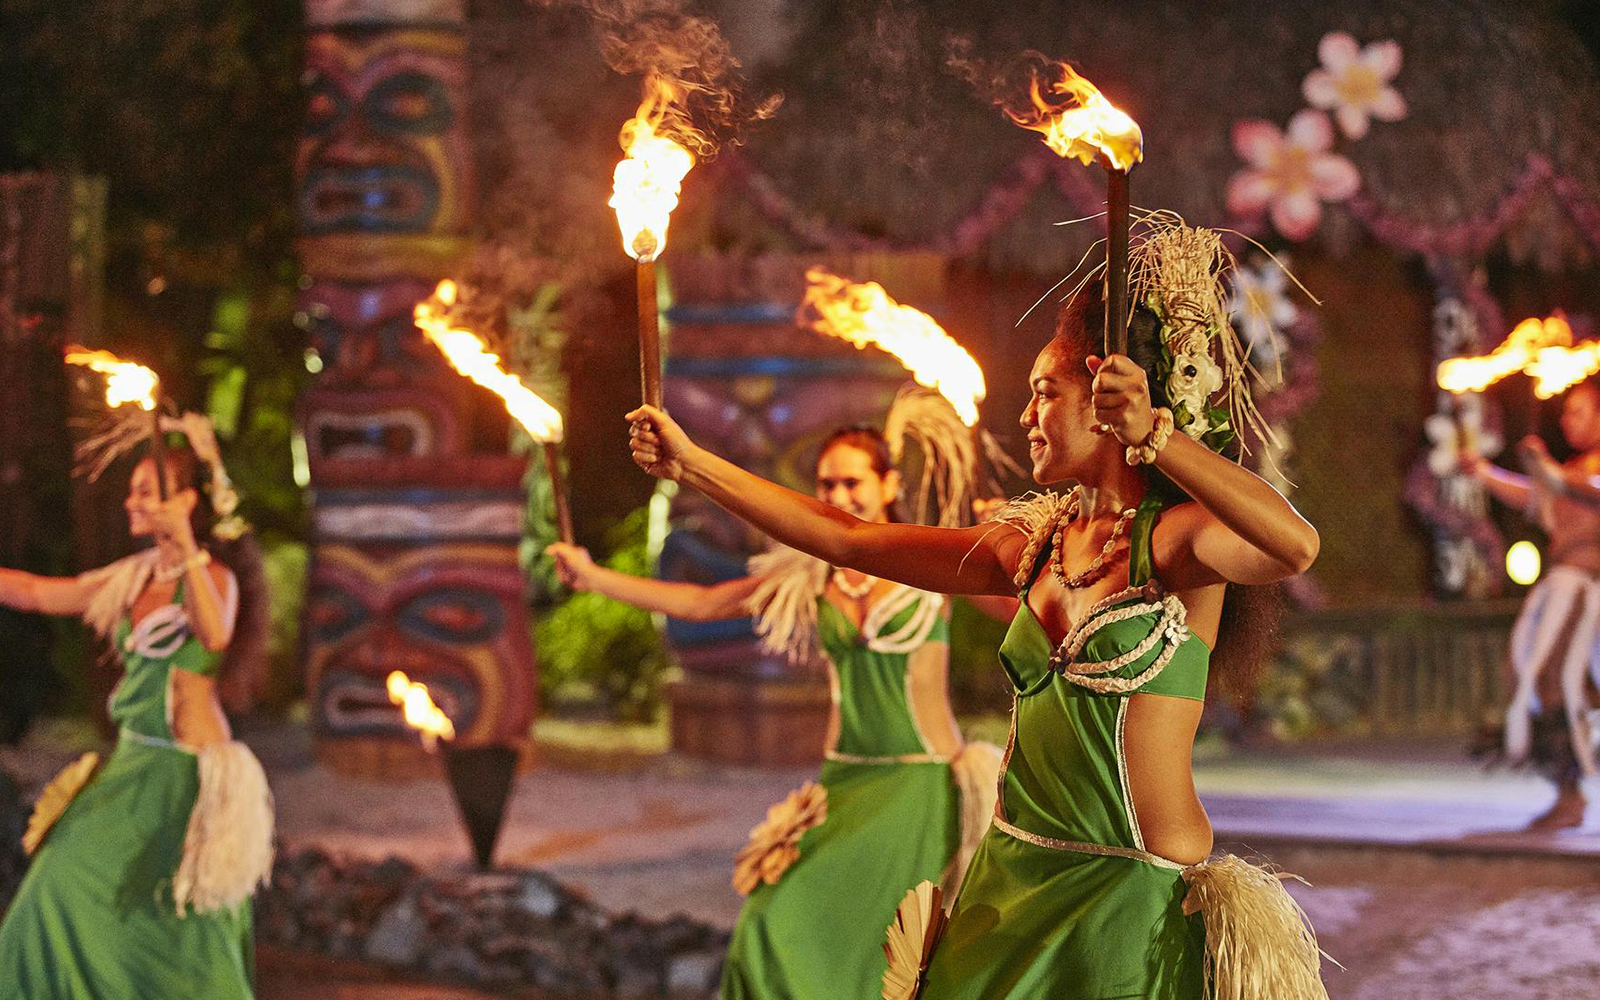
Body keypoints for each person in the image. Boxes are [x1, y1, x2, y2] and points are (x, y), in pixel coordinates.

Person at [625, 225, 1329, 1000]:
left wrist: (1156, 437)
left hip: (1127, 894)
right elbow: (848, 536)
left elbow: (1293, 546)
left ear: (1105, 403)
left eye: (1045, 393)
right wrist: (694, 464)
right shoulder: (1028, 549)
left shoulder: (1175, 547)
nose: (1026, 415)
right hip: (1009, 880)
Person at [550, 407, 1005, 1000]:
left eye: (853, 482)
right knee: (771, 922)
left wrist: (1012, 552)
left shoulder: (927, 560)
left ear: (889, 485)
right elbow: (703, 603)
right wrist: (592, 578)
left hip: (922, 784)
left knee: (900, 947)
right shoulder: (807, 574)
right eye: (827, 484)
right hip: (844, 784)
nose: (839, 494)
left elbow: (1021, 610)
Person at [0, 433, 272, 999]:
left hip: (185, 775)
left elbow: (214, 632)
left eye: (146, 493)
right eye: (133, 492)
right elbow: (37, 592)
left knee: (181, 922)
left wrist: (186, 548)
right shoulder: (132, 577)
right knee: (59, 880)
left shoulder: (213, 578)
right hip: (131, 764)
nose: (131, 503)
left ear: (185, 504)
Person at [1466, 380, 1600, 830]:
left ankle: (1572, 789)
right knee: (1537, 677)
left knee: (1563, 681)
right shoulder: (1571, 471)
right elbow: (1533, 495)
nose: (1568, 421)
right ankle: (1568, 791)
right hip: (1563, 592)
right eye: (1566, 413)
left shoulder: (1582, 474)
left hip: (1589, 595)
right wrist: (1483, 471)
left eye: (1579, 412)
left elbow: (1580, 486)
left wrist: (1546, 467)